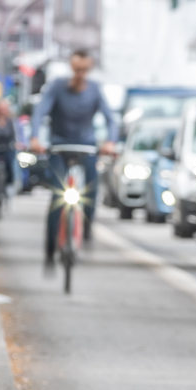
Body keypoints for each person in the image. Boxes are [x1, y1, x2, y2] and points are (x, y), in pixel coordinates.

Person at [29, 50, 118, 264]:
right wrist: (34, 138)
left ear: (90, 68)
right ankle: (50, 248)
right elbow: (40, 112)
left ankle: (86, 226)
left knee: (91, 187)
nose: (80, 73)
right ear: (71, 67)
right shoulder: (58, 86)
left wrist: (110, 142)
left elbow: (111, 119)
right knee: (57, 195)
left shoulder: (95, 90)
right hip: (59, 145)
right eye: (77, 69)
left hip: (86, 145)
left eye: (84, 69)